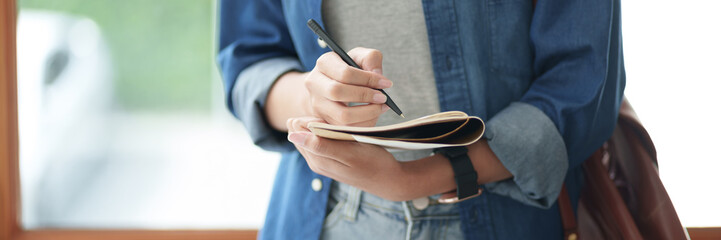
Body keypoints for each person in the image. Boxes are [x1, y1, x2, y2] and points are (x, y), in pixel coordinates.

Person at [217, 0, 625, 239]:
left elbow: (583, 83)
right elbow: (249, 60)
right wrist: (316, 98)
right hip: (327, 216)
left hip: (505, 217)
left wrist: (412, 179)